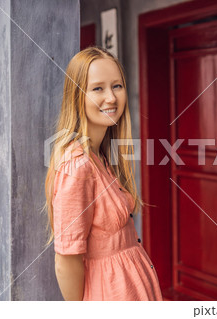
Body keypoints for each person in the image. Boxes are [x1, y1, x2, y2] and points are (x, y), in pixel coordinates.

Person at [44, 47, 163, 301]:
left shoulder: (102, 156)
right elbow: (66, 259)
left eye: (117, 86)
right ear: (77, 96)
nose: (111, 98)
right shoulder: (78, 166)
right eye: (97, 88)